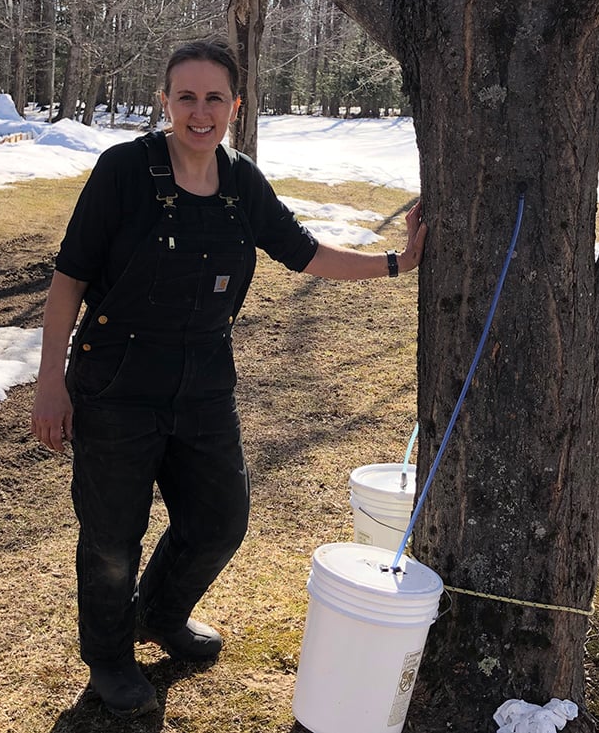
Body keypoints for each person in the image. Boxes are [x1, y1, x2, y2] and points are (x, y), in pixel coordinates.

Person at [31, 36, 427, 720]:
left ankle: (159, 612)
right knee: (111, 535)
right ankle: (109, 657)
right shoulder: (123, 171)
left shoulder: (241, 180)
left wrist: (396, 262)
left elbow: (303, 252)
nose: (200, 111)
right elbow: (69, 279)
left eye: (215, 97)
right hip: (116, 379)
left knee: (219, 518)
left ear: (236, 107)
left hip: (205, 379)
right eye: (186, 97)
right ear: (166, 102)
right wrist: (49, 382)